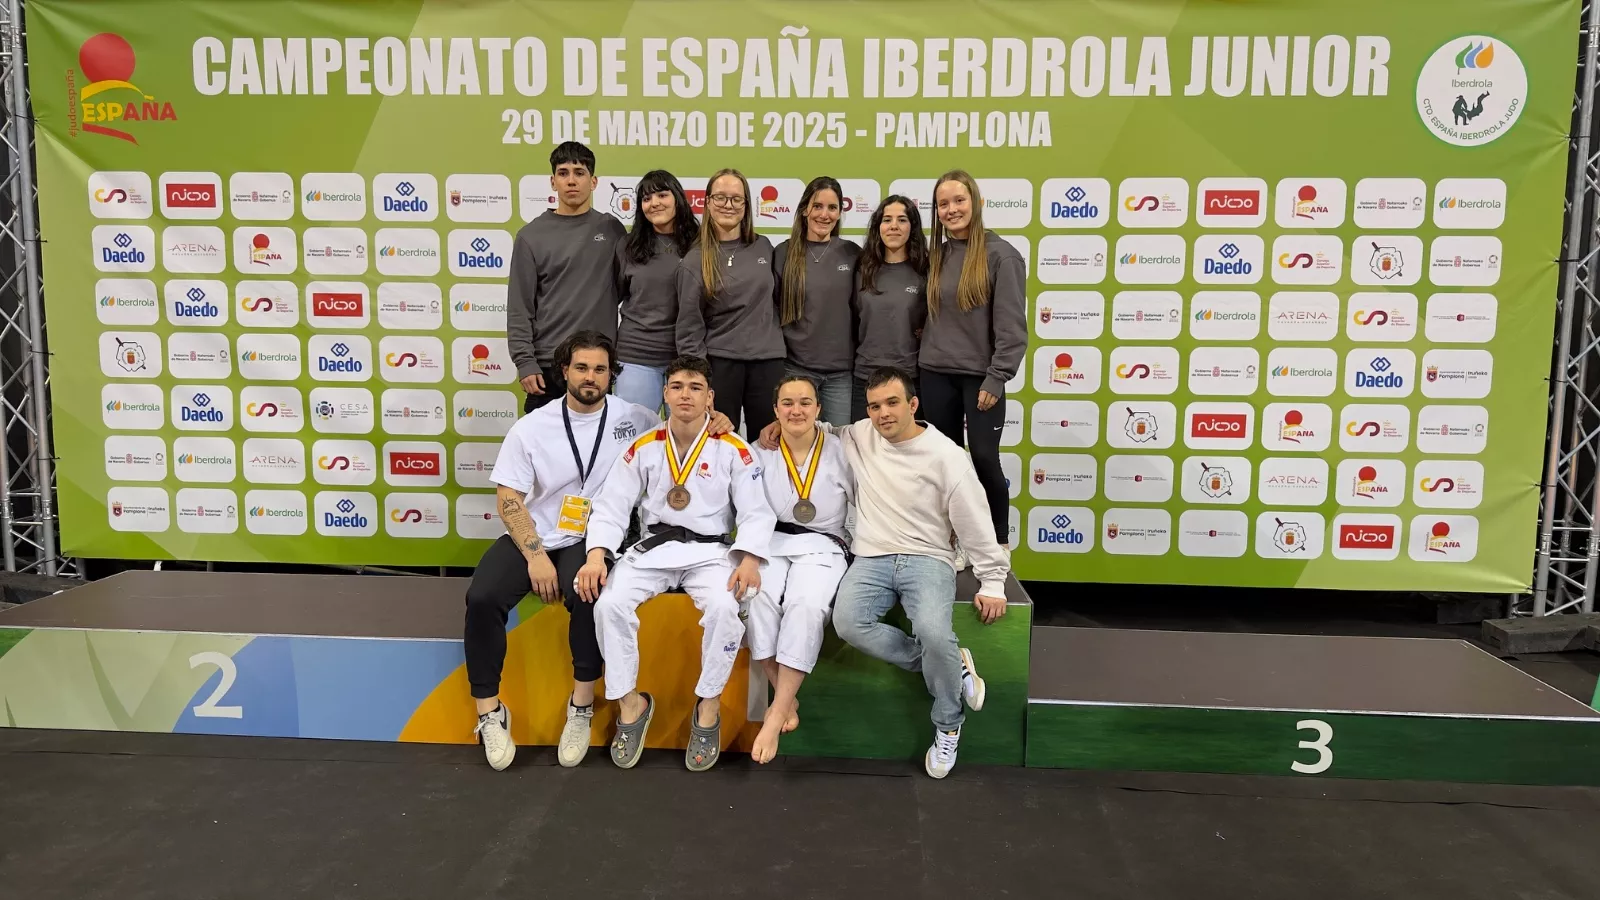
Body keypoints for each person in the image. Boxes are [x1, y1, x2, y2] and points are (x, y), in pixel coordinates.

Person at [462, 331, 732, 771]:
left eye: (601, 369)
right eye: (582, 368)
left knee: (589, 592)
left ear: (612, 375)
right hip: (535, 535)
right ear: (564, 371)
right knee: (482, 597)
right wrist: (534, 556)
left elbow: (687, 423)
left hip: (593, 539)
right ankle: (490, 713)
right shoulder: (531, 427)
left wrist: (717, 418)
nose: (592, 377)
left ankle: (581, 707)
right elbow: (509, 497)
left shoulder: (637, 417)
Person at [764, 366, 1008, 779]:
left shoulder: (947, 455)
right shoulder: (859, 435)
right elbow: (814, 423)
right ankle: (950, 665)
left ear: (913, 405)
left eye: (893, 403)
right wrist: (778, 422)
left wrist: (994, 580)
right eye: (875, 406)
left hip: (928, 558)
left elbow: (974, 522)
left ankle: (948, 723)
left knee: (933, 632)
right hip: (872, 558)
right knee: (847, 623)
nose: (883, 414)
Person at [576, 355, 775, 772]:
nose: (686, 394)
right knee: (608, 604)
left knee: (726, 608)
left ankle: (707, 705)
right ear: (665, 394)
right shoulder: (643, 446)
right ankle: (631, 705)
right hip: (654, 550)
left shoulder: (734, 448)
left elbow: (756, 512)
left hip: (711, 553)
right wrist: (597, 555)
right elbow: (611, 507)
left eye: (696, 388)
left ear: (711, 398)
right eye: (678, 386)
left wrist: (750, 558)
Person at [747, 375, 854, 764]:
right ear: (775, 410)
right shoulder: (758, 452)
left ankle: (774, 715)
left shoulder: (842, 451)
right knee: (753, 599)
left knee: (806, 606)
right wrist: (747, 555)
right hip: (770, 541)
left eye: (805, 403)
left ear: (818, 410)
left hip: (824, 542)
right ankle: (785, 698)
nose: (796, 411)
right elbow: (748, 510)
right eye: (787, 403)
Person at [919, 170, 1027, 546]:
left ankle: (997, 545)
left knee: (983, 459)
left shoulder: (1003, 256)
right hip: (933, 375)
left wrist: (997, 377)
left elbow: (1012, 329)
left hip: (980, 380)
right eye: (943, 204)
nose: (952, 210)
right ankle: (948, 542)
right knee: (943, 467)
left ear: (977, 203)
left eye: (959, 201)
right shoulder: (936, 255)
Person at [507, 141, 628, 413]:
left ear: (594, 181)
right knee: (543, 452)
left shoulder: (612, 229)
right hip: (549, 365)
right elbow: (519, 307)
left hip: (597, 363)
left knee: (595, 450)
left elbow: (626, 287)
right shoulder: (530, 236)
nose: (571, 181)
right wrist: (525, 362)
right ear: (553, 181)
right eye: (563, 173)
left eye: (579, 172)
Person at [675, 169, 785, 436]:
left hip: (768, 362)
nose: (728, 205)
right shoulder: (695, 259)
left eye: (737, 199)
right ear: (708, 202)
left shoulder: (764, 247)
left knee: (770, 444)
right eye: (721, 197)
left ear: (746, 206)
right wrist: (699, 379)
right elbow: (689, 327)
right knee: (720, 444)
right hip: (721, 364)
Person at [773, 177, 861, 426]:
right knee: (795, 444)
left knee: (839, 445)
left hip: (841, 374)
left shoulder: (853, 253)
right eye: (818, 206)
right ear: (804, 210)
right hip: (795, 369)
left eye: (832, 208)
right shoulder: (783, 253)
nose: (825, 214)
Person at [614, 170, 698, 412]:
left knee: (687, 441)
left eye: (662, 195)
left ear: (678, 199)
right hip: (636, 357)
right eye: (647, 199)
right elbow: (613, 297)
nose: (655, 204)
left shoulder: (701, 243)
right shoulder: (628, 246)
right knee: (634, 438)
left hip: (687, 359)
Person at [852, 195, 929, 421]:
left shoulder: (926, 270)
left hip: (908, 379)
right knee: (861, 453)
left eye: (902, 220)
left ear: (912, 227)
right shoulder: (861, 269)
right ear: (878, 227)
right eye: (887, 220)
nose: (894, 226)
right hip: (865, 376)